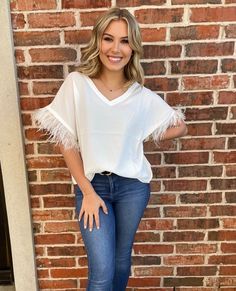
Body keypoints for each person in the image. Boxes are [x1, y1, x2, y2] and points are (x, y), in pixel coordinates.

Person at [33, 7, 187, 291]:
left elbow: (179, 126)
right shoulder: (77, 85)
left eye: (125, 41)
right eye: (108, 38)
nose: (116, 48)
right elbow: (64, 141)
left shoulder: (140, 95)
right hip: (93, 187)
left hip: (132, 187)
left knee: (120, 262)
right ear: (98, 42)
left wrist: (139, 134)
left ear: (133, 48)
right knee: (102, 272)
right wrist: (88, 192)